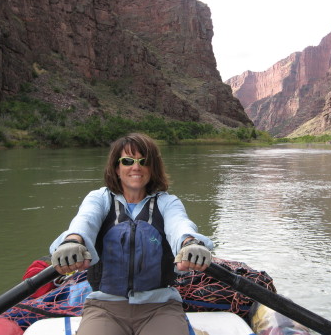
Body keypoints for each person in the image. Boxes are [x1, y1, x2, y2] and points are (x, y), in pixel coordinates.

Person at [50, 133, 213, 335]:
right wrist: (73, 240)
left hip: (160, 306)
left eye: (143, 161)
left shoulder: (167, 202)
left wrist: (190, 243)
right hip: (105, 307)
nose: (136, 167)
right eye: (128, 161)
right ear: (117, 168)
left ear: (152, 168)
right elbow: (85, 220)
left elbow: (179, 225)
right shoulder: (99, 199)